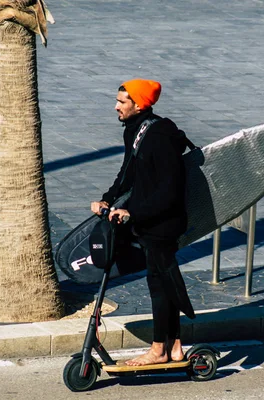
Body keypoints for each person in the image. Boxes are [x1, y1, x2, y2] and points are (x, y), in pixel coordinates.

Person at [90, 79, 196, 366]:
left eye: (122, 102)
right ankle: (174, 347)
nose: (116, 106)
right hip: (148, 219)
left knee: (159, 285)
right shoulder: (136, 131)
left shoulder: (160, 136)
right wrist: (107, 200)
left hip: (162, 222)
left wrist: (133, 214)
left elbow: (170, 190)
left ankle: (159, 349)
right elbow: (128, 172)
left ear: (139, 104)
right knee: (164, 283)